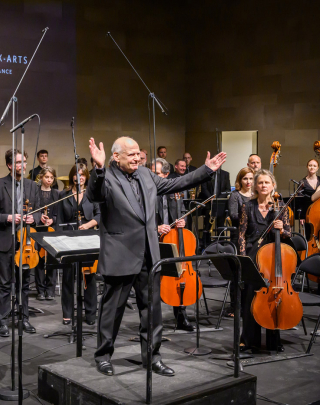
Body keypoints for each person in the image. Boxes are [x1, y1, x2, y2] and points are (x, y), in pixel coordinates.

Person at [87, 136, 226, 377]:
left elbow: (177, 183)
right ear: (115, 157)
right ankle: (103, 355)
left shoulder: (146, 175)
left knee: (152, 310)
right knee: (112, 310)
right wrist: (98, 169)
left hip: (149, 254)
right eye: (130, 154)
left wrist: (206, 170)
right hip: (121, 253)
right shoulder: (106, 176)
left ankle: (153, 357)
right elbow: (95, 195)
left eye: (137, 154)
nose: (137, 158)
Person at [0, 149, 41, 337]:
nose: (23, 166)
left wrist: (36, 218)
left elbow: (40, 210)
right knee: (5, 283)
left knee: (25, 283)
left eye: (24, 162)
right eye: (19, 162)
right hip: (7, 241)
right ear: (10, 165)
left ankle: (24, 318)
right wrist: (8, 217)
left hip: (26, 241)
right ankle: (2, 320)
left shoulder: (32, 185)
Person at [238, 169, 290, 353]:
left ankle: (273, 340)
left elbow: (289, 235)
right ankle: (248, 340)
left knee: (272, 299)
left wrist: (282, 229)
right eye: (260, 183)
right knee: (251, 300)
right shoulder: (247, 206)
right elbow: (242, 234)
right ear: (255, 186)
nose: (263, 186)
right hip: (253, 257)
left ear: (272, 185)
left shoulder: (281, 207)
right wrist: (243, 257)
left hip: (272, 258)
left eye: (267, 182)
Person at [153, 158, 194, 331]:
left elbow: (182, 213)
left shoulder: (174, 191)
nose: (152, 177)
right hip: (153, 239)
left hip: (172, 239)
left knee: (179, 272)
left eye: (156, 174)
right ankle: (154, 321)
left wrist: (182, 221)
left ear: (166, 175)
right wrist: (155, 228)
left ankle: (181, 315)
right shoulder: (147, 192)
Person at [57, 164, 100, 325]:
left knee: (89, 277)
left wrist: (88, 225)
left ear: (86, 177)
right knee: (68, 277)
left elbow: (100, 215)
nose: (79, 177)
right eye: (76, 174)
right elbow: (59, 219)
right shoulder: (64, 194)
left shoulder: (93, 194)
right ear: (72, 176)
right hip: (69, 240)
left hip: (88, 239)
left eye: (82, 174)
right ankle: (67, 313)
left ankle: (90, 313)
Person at [225, 167, 254, 318]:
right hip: (239, 236)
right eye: (245, 179)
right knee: (238, 272)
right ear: (240, 180)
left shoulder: (256, 195)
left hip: (253, 236)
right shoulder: (235, 195)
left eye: (250, 178)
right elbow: (234, 216)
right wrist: (250, 216)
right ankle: (235, 306)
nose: (248, 182)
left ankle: (250, 304)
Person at [34, 166, 60, 301]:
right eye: (46, 177)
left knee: (52, 258)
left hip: (52, 229)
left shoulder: (57, 194)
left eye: (51, 177)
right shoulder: (35, 192)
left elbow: (59, 212)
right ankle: (40, 289)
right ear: (41, 177)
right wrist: (40, 217)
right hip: (39, 229)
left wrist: (52, 219)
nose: (49, 180)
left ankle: (50, 289)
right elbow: (33, 210)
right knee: (38, 259)